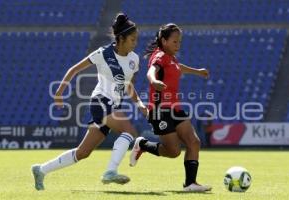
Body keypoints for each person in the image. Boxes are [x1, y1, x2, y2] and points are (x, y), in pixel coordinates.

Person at [31, 13, 148, 190]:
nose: (135, 43)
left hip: (112, 106)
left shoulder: (134, 59)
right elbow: (74, 70)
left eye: (136, 39)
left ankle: (40, 170)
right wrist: (59, 92)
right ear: (121, 38)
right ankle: (110, 171)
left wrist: (139, 103)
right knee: (129, 130)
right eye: (132, 39)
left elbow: (129, 86)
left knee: (82, 153)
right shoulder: (103, 53)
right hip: (100, 101)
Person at [129, 23, 212, 192]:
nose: (178, 45)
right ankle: (143, 145)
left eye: (179, 42)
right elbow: (151, 71)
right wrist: (153, 81)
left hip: (176, 109)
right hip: (160, 111)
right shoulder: (158, 56)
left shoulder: (171, 58)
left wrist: (198, 71)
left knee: (194, 142)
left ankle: (190, 184)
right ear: (164, 41)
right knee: (174, 152)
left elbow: (178, 68)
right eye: (175, 42)